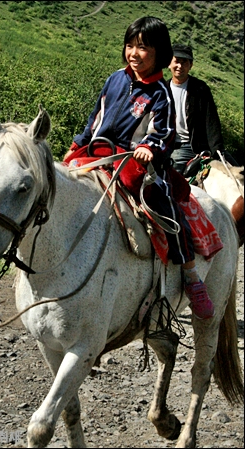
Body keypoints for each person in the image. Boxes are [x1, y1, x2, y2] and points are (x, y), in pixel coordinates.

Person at [64, 17, 214, 319]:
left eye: (143, 47)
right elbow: (95, 117)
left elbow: (164, 132)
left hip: (135, 164)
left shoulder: (160, 93)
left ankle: (190, 275)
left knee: (166, 206)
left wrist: (149, 146)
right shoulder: (114, 79)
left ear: (159, 52)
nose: (134, 53)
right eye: (130, 45)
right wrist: (77, 143)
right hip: (97, 153)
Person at [167, 43, 239, 174]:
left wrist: (217, 149)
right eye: (177, 61)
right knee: (173, 177)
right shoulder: (162, 90)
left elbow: (211, 120)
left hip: (200, 145)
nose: (180, 66)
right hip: (177, 146)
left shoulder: (200, 88)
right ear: (169, 63)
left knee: (236, 173)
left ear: (191, 65)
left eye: (185, 62)